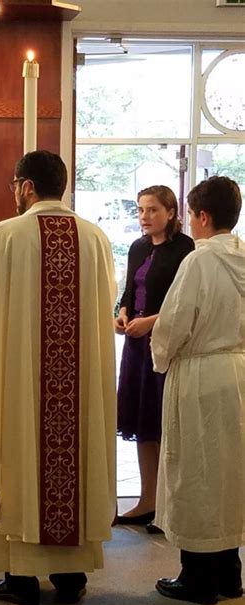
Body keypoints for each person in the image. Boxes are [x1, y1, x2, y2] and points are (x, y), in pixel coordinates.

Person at [0, 150, 117, 605]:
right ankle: (71, 577)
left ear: (26, 186)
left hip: (20, 383)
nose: (14, 192)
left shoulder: (6, 235)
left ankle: (21, 579)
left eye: (14, 184)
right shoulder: (95, 237)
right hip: (78, 388)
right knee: (75, 458)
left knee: (19, 457)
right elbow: (105, 298)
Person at [151, 176, 244, 605]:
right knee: (230, 474)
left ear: (203, 216)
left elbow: (174, 323)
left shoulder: (199, 260)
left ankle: (198, 579)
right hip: (238, 372)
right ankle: (229, 572)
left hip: (202, 374)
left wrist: (161, 357)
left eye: (190, 214)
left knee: (197, 474)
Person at [115, 186, 194, 529]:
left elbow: (184, 303)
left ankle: (167, 505)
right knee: (141, 421)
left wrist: (150, 321)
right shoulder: (138, 247)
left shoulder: (185, 249)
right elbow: (128, 293)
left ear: (171, 212)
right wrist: (122, 314)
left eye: (152, 210)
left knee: (164, 423)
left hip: (165, 343)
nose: (144, 217)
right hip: (136, 346)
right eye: (140, 210)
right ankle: (147, 500)